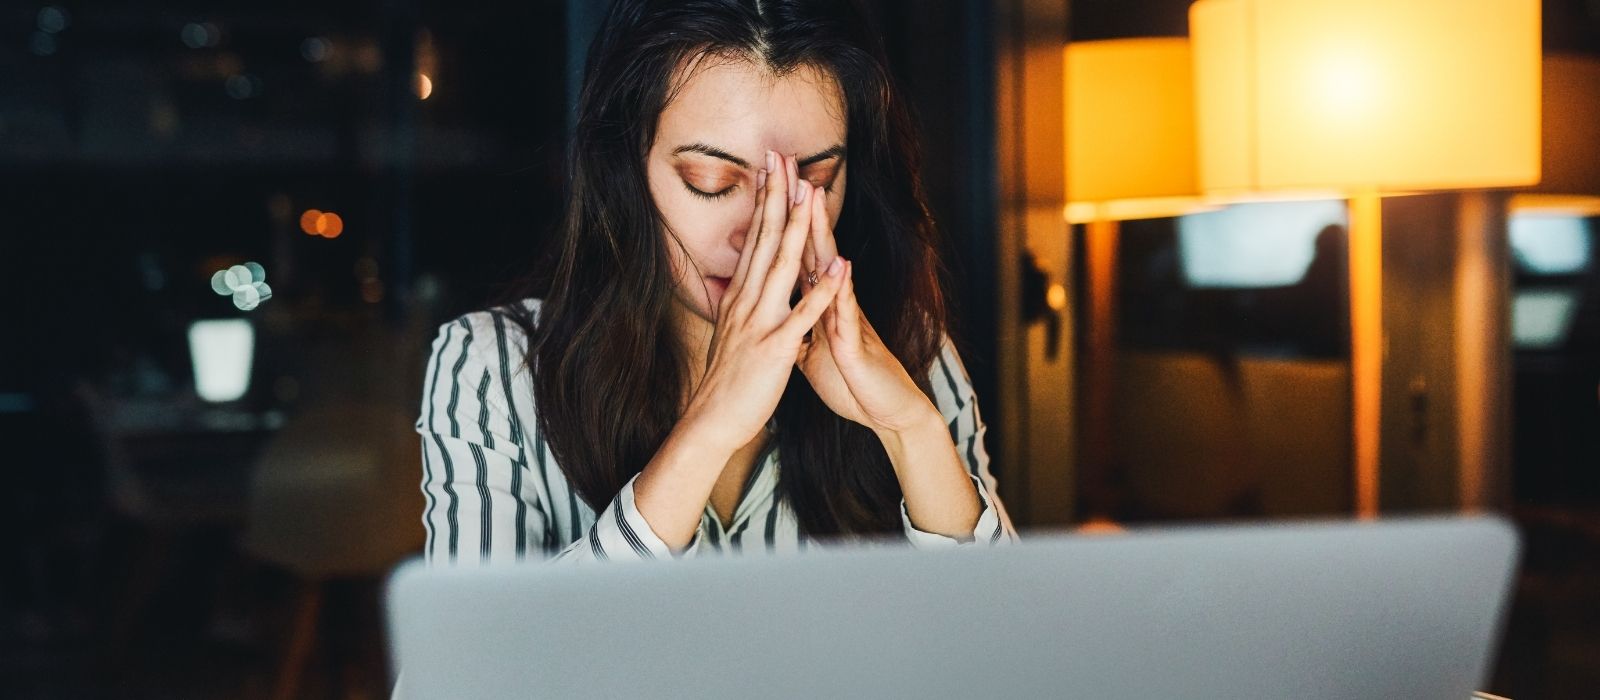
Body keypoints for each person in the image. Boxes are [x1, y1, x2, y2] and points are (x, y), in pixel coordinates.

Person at [416, 0, 1016, 565]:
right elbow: (481, 670)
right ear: (627, 174)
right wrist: (707, 430)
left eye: (812, 182)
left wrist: (910, 430)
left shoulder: (906, 349)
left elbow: (1011, 647)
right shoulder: (495, 366)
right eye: (710, 181)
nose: (760, 230)